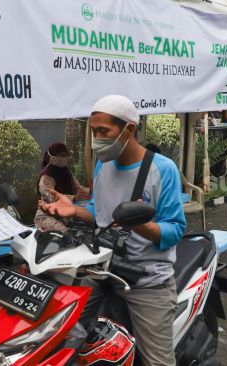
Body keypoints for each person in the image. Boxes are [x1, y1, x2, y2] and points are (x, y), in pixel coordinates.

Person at [40, 95, 186, 366]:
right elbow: (100, 212)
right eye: (93, 131)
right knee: (63, 334)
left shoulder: (163, 170)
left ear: (128, 130)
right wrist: (74, 211)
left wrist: (141, 225)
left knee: (158, 362)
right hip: (103, 269)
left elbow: (175, 229)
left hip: (146, 279)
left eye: (103, 131)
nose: (96, 139)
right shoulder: (103, 164)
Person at [34, 142, 90, 232]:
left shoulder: (67, 173)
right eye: (59, 155)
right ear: (50, 156)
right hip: (49, 215)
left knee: (88, 226)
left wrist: (90, 191)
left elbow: (78, 188)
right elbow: (50, 197)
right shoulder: (46, 176)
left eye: (64, 155)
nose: (62, 158)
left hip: (67, 213)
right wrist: (74, 198)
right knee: (64, 232)